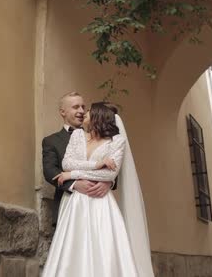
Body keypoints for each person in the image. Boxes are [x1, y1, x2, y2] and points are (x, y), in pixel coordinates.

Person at [42, 102, 154, 277]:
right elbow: (66, 163)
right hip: (75, 203)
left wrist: (72, 174)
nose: (83, 113)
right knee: (73, 247)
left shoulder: (117, 141)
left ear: (98, 116)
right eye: (77, 107)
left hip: (101, 203)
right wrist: (97, 164)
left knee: (103, 247)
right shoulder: (77, 135)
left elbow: (109, 175)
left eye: (86, 110)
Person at [42, 92, 115, 227]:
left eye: (83, 107)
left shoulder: (102, 138)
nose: (81, 111)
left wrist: (109, 182)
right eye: (76, 107)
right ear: (62, 112)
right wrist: (74, 185)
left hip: (100, 205)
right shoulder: (51, 141)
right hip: (69, 203)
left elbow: (114, 165)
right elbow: (50, 171)